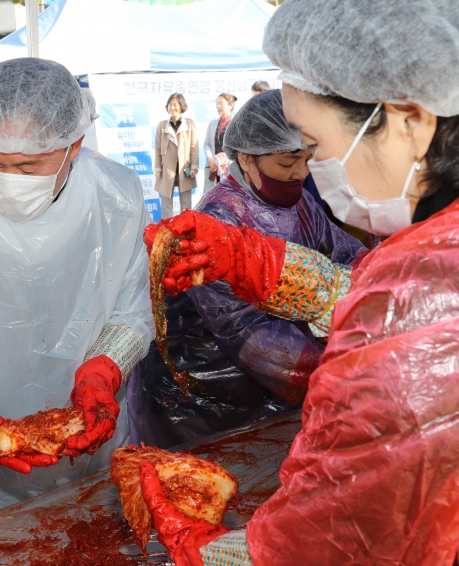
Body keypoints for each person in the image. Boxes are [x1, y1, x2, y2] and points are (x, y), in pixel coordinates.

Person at [139, 0, 459, 563]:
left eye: (315, 147)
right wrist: (248, 258)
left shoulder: (425, 280)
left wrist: (211, 553)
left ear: (410, 121)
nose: (313, 170)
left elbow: (325, 534)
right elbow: (363, 289)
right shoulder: (432, 251)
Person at [0, 58, 154, 532]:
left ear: (72, 145)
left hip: (88, 426)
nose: (8, 178)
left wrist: (101, 373)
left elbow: (132, 307)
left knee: (88, 539)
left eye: (27, 165)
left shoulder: (116, 195)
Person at [131, 89, 364, 450]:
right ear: (246, 158)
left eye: (307, 159)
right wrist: (344, 379)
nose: (301, 173)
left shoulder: (301, 201)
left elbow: (347, 256)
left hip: (276, 383)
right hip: (204, 396)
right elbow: (248, 332)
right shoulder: (216, 222)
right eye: (287, 163)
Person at [154, 93, 198, 217]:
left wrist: (194, 166)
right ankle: (167, 233)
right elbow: (157, 148)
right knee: (166, 204)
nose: (172, 108)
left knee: (186, 205)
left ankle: (186, 232)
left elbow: (194, 147)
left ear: (181, 106)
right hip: (166, 169)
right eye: (170, 105)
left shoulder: (189, 124)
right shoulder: (162, 125)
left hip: (185, 169)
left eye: (175, 105)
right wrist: (157, 168)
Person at [203, 93, 236, 184]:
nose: (218, 106)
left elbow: (237, 148)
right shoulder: (212, 123)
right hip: (213, 167)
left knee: (228, 196)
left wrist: (222, 161)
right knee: (211, 196)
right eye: (217, 103)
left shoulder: (236, 124)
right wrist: (210, 159)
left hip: (229, 168)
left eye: (221, 103)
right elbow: (206, 144)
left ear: (230, 105)